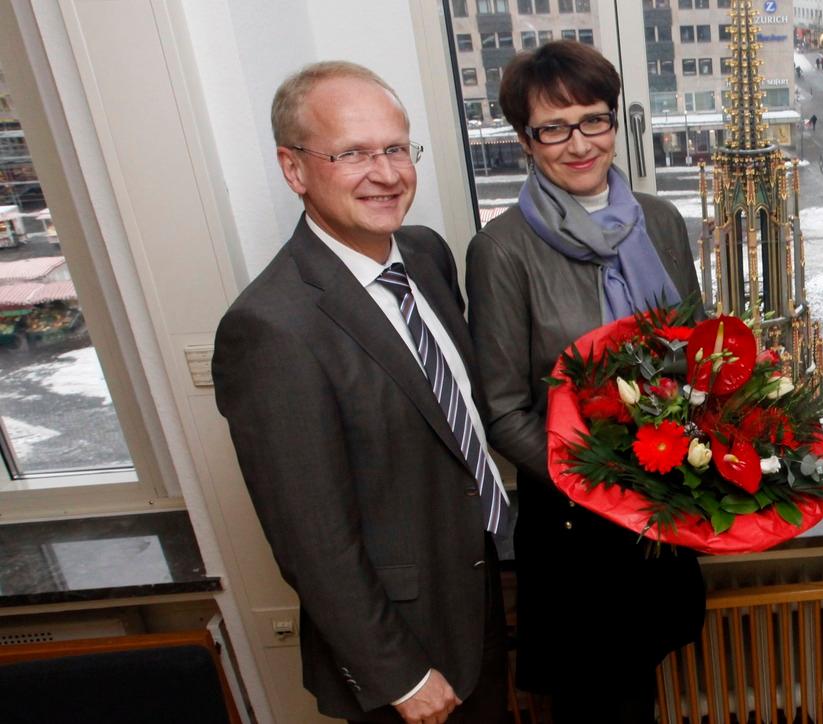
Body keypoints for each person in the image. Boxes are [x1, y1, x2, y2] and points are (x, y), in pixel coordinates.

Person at [212, 61, 510, 724]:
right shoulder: (272, 328)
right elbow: (311, 537)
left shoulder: (426, 254)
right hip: (403, 651)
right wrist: (398, 676)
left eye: (396, 148)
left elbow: (449, 422)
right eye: (351, 153)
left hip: (477, 588)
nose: (386, 173)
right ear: (294, 169)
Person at [464, 41, 705, 724]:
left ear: (615, 123)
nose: (579, 143)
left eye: (594, 119)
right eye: (553, 127)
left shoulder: (660, 221)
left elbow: (691, 349)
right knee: (595, 703)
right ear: (524, 141)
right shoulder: (502, 249)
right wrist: (603, 483)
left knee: (642, 687)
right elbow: (503, 409)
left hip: (662, 511)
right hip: (575, 527)